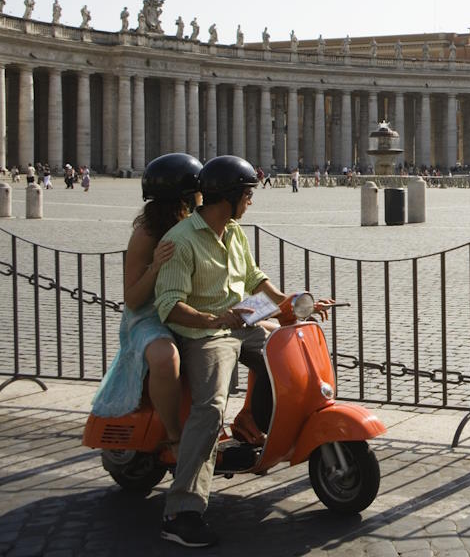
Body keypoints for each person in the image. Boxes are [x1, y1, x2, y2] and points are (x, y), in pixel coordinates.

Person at [153, 155, 333, 547]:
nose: (251, 201)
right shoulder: (180, 241)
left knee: (286, 356)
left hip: (243, 324)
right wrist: (216, 319)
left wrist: (294, 303)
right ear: (230, 196)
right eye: (248, 194)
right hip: (204, 335)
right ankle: (181, 510)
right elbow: (169, 305)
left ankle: (253, 429)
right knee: (211, 406)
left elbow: (254, 278)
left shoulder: (234, 231)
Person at [90, 153, 202, 457]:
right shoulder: (147, 233)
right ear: (182, 196)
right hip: (149, 318)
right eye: (197, 192)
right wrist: (154, 268)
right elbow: (133, 299)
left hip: (187, 309)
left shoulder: (199, 225)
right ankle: (174, 435)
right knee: (166, 359)